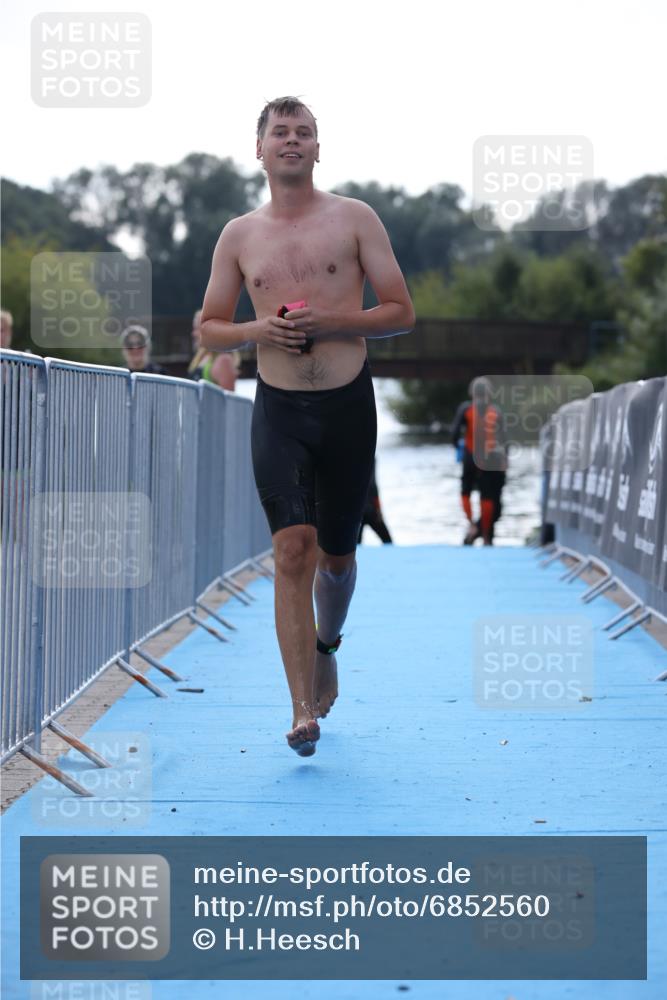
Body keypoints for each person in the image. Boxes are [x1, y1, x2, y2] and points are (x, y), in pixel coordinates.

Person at [200, 96, 415, 756]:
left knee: (339, 557)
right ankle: (299, 710)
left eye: (304, 133)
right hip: (281, 409)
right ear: (259, 150)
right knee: (292, 547)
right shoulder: (239, 235)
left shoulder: (354, 219)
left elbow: (401, 310)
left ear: (318, 149)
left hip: (347, 407)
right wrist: (256, 330)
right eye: (279, 132)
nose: (292, 141)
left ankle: (328, 646)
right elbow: (208, 328)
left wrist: (333, 321)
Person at [451, 376, 507, 546]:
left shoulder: (466, 409)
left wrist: (458, 449)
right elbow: (504, 439)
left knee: (465, 491)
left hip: (469, 457)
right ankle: (486, 536)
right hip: (488, 459)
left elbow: (454, 433)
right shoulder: (495, 412)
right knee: (487, 495)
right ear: (489, 394)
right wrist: (505, 460)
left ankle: (471, 525)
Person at [188, 308, 239, 389]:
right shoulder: (202, 357)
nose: (193, 334)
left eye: (197, 329)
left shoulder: (223, 360)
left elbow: (228, 399)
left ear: (211, 331)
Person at [358, 458, 393, 544]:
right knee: (387, 541)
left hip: (358, 509)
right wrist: (378, 509)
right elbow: (372, 486)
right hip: (368, 509)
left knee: (354, 547)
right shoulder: (370, 458)